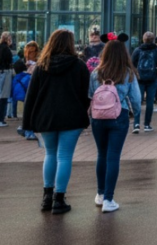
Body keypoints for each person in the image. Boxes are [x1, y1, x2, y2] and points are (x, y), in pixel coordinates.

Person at [22, 29, 91, 214]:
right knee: (65, 156)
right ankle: (59, 200)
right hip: (72, 117)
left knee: (50, 154)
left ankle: (46, 197)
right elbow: (85, 95)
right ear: (70, 44)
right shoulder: (79, 66)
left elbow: (31, 96)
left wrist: (27, 123)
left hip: (46, 117)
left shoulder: (41, 66)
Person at [88, 34, 141, 213]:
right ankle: (109, 200)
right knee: (113, 156)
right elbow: (136, 98)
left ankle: (100, 194)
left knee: (101, 155)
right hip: (119, 116)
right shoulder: (127, 72)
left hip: (98, 117)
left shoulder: (96, 72)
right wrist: (136, 115)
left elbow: (90, 95)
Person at [130, 32, 157, 133]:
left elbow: (131, 64)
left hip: (139, 80)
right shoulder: (156, 51)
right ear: (153, 40)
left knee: (137, 101)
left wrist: (135, 75)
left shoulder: (138, 50)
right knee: (150, 102)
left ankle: (136, 124)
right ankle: (147, 124)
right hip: (152, 79)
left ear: (143, 39)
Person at [0, 31, 13, 127]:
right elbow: (9, 61)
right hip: (5, 72)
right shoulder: (6, 49)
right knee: (4, 96)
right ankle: (1, 119)